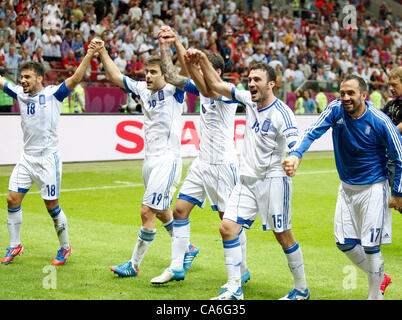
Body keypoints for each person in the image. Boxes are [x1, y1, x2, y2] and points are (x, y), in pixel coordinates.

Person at [188, 49, 309, 300]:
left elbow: (294, 140)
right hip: (246, 180)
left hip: (274, 181)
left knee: (283, 236)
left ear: (271, 84)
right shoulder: (248, 100)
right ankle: (234, 289)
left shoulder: (281, 112)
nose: (251, 83)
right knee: (227, 228)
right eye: (249, 79)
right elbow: (217, 85)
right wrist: (200, 59)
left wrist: (293, 158)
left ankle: (301, 289)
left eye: (257, 80)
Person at [282, 74, 400, 300]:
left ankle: (375, 296)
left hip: (374, 188)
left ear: (363, 95)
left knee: (370, 246)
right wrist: (296, 155)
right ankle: (380, 276)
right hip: (347, 187)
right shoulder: (335, 110)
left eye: (351, 93)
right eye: (342, 93)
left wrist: (398, 193)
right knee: (344, 243)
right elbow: (311, 132)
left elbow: (399, 155)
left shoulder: (379, 120)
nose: (345, 97)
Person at [150, 27, 249, 285]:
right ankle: (176, 267)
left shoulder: (225, 90)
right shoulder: (201, 85)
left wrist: (182, 46)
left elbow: (207, 90)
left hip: (223, 165)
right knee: (180, 211)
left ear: (215, 72)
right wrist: (167, 43)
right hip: (202, 162)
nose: (196, 72)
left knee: (229, 221)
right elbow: (172, 75)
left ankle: (243, 269)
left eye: (201, 68)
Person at [89, 39, 194, 278]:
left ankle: (134, 265)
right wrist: (103, 51)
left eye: (153, 72)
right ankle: (188, 248)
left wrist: (172, 43)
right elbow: (117, 77)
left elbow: (184, 73)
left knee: (147, 211)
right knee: (163, 210)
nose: (147, 76)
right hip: (150, 160)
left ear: (165, 75)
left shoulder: (173, 91)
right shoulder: (142, 90)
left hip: (168, 159)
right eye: (146, 72)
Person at [0, 40, 99, 266]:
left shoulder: (54, 94)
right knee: (12, 199)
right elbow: (2, 82)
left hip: (47, 160)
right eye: (21, 77)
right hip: (27, 158)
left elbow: (74, 78)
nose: (22, 81)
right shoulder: (20, 94)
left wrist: (90, 53)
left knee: (51, 206)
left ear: (39, 78)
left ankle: (65, 247)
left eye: (27, 77)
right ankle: (15, 244)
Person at [381, 66, 402, 212]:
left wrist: (390, 132)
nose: (391, 88)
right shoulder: (390, 105)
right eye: (389, 85)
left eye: (394, 85)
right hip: (390, 159)